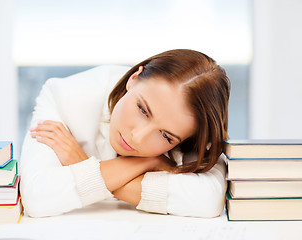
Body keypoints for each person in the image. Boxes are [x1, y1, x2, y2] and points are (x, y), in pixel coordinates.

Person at [20, 49, 230, 218]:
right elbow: (36, 197)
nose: (138, 137)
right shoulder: (63, 95)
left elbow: (208, 200)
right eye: (142, 110)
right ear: (134, 78)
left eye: (166, 136)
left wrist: (81, 164)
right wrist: (145, 162)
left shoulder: (195, 130)